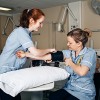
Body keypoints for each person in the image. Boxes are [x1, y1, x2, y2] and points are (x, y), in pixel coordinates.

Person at [16, 28, 97, 100]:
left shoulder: (90, 53)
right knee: (53, 97)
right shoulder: (69, 53)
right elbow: (46, 56)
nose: (67, 44)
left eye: (70, 43)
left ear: (79, 43)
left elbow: (82, 72)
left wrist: (70, 63)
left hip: (84, 92)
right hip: (69, 88)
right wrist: (26, 54)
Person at [0, 8, 56, 100]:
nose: (41, 26)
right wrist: (49, 50)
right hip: (4, 71)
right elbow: (35, 52)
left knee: (16, 97)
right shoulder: (20, 32)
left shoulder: (28, 33)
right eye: (40, 23)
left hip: (12, 71)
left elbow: (29, 54)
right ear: (31, 20)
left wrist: (43, 58)